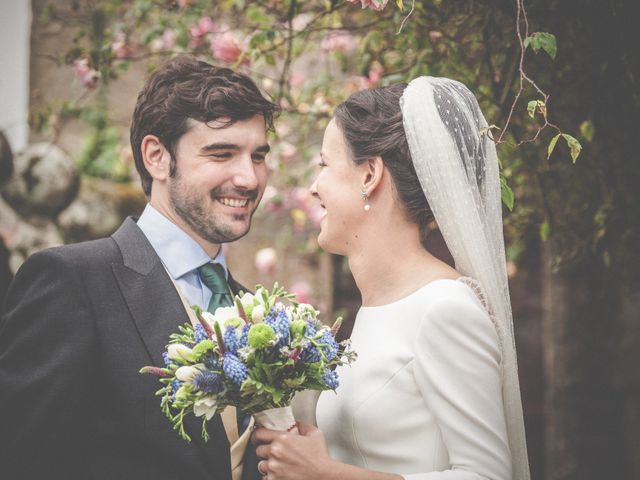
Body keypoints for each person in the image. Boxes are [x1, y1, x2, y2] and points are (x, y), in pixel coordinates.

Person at [0, 56, 279, 480]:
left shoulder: (253, 310)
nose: (249, 178)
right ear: (156, 157)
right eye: (222, 153)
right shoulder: (71, 281)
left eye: (258, 156)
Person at [252, 78, 531, 480]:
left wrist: (325, 474)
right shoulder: (374, 309)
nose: (313, 187)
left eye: (325, 165)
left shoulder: (445, 309)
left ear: (370, 175)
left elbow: (487, 476)